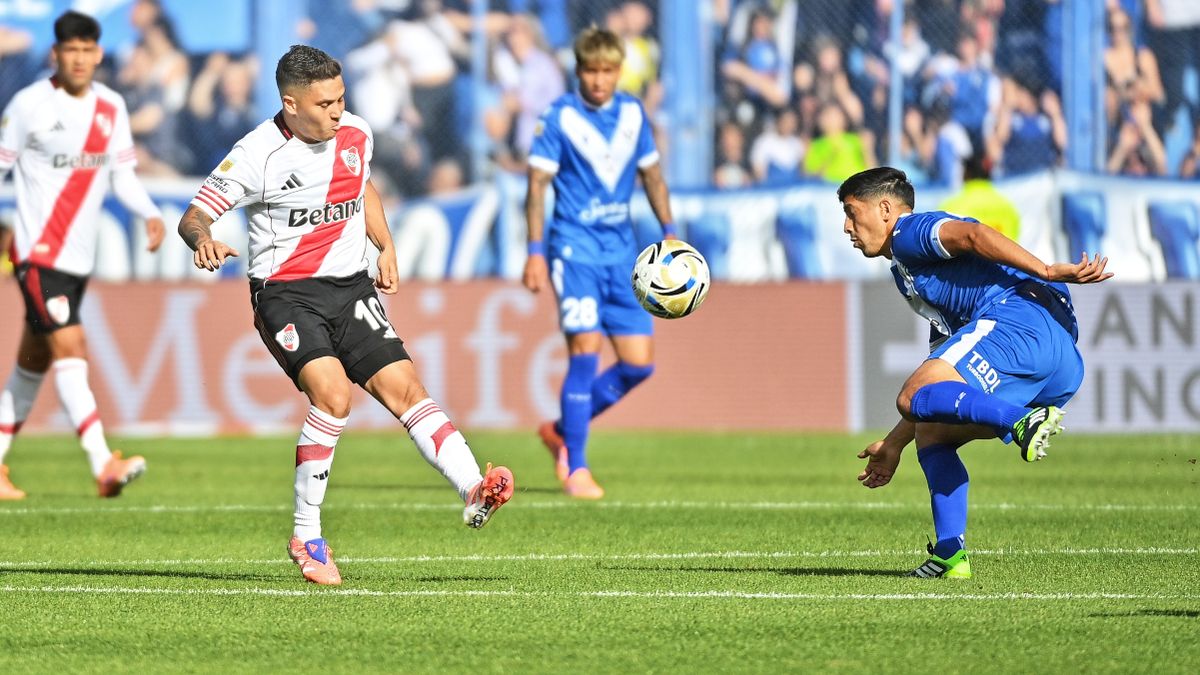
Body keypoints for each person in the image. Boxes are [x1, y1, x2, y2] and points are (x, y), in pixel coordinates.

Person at [176, 45, 513, 586]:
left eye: (341, 99)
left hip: (351, 285)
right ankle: (306, 535)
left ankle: (474, 487)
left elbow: (362, 188)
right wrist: (204, 240)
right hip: (286, 294)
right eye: (325, 103)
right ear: (290, 104)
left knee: (406, 388)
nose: (337, 111)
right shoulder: (256, 155)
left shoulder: (355, 132)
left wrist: (385, 245)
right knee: (334, 395)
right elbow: (194, 216)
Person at [838, 167, 1112, 578]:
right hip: (1059, 361)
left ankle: (1020, 420)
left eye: (851, 212)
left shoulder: (909, 233)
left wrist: (1048, 270)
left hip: (1017, 321)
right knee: (929, 426)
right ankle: (951, 553)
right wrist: (895, 444)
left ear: (884, 209)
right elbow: (937, 386)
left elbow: (973, 235)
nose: (847, 228)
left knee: (910, 397)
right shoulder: (918, 276)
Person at [0, 11, 164, 501]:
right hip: (36, 252)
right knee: (71, 348)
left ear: (97, 53)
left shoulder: (111, 108)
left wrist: (149, 213)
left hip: (77, 259)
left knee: (33, 361)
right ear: (56, 54)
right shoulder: (28, 105)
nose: (78, 58)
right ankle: (102, 462)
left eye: (86, 50)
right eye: (68, 50)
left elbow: (123, 177)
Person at [523, 27, 676, 500]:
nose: (599, 80)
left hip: (623, 255)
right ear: (578, 71)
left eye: (608, 71)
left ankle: (561, 429)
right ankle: (578, 468)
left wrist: (670, 232)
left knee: (638, 366)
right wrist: (533, 252)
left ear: (618, 71)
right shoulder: (558, 118)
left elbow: (652, 175)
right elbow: (535, 189)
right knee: (584, 353)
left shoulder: (633, 112)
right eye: (591, 70)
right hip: (574, 251)